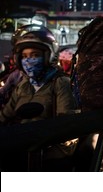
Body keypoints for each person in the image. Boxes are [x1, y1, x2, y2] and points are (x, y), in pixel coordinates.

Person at [0, 25, 79, 171]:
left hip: (49, 156)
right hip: (23, 148)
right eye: (24, 56)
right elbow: (5, 115)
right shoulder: (23, 85)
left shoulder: (60, 82)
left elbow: (67, 124)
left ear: (49, 56)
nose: (28, 61)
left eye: (35, 55)